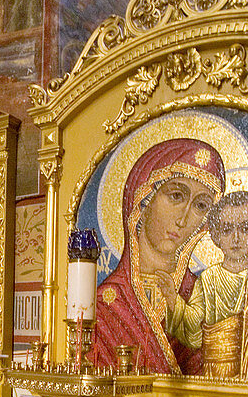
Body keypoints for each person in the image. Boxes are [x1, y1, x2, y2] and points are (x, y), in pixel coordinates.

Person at [91, 138, 225, 375]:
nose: (183, 219)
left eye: (200, 206)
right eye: (176, 196)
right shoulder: (105, 304)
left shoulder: (201, 296)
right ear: (143, 199)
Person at [160, 191, 248, 381]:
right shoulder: (209, 278)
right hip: (213, 381)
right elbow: (193, 333)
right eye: (226, 230)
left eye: (245, 228)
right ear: (216, 235)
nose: (236, 238)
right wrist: (172, 297)